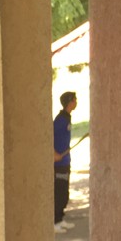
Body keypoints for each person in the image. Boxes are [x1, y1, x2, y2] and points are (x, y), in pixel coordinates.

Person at [53, 91, 77, 233]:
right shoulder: (60, 120)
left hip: (65, 161)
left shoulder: (67, 118)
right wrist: (53, 153)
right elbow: (49, 134)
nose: (76, 102)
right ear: (70, 102)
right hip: (59, 163)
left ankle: (60, 219)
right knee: (59, 192)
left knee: (64, 193)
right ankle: (55, 222)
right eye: (75, 99)